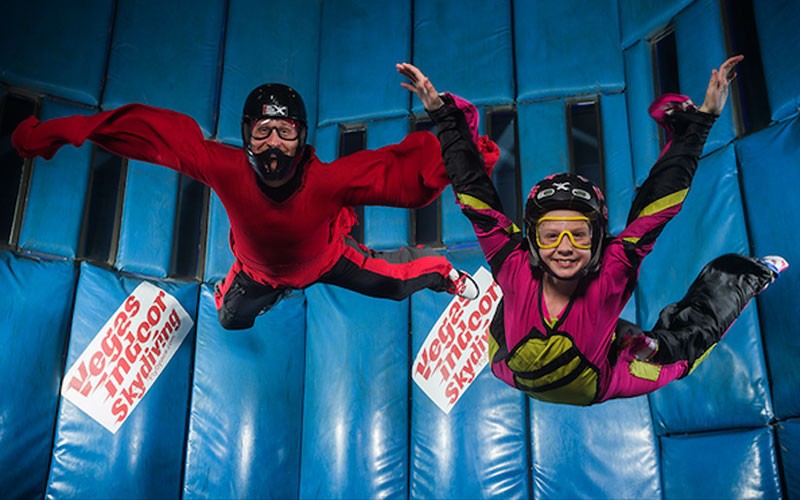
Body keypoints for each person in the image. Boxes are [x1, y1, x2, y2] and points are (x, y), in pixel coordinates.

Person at [398, 56, 789, 406]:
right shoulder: (514, 263)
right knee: (632, 339)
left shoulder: (613, 268)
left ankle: (745, 277)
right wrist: (443, 115)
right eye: (551, 236)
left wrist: (700, 125)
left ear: (599, 240)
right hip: (509, 363)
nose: (565, 248)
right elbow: (473, 195)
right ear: (531, 240)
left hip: (594, 377)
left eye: (579, 235)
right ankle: (628, 337)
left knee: (678, 352)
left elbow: (659, 205)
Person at [12, 79, 499, 330]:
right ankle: (270, 289)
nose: (272, 145)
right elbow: (147, 132)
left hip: (328, 260)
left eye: (284, 133)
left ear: (301, 138)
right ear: (246, 137)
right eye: (262, 133)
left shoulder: (329, 181)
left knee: (397, 287)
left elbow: (407, 174)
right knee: (229, 320)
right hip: (259, 274)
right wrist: (56, 135)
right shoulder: (222, 166)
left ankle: (445, 276)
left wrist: (460, 136)